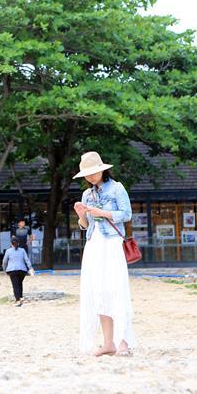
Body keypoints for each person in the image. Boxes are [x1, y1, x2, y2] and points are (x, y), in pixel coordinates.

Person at [73, 151, 135, 357]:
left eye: (93, 172)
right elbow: (85, 226)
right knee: (98, 291)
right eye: (87, 174)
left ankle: (123, 342)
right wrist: (82, 215)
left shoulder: (117, 188)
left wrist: (104, 213)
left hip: (112, 243)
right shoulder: (87, 195)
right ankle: (108, 342)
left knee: (116, 289)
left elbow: (127, 214)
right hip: (94, 244)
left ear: (102, 170)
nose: (90, 177)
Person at [2, 238, 34, 306]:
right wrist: (30, 268)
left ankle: (18, 299)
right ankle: (21, 297)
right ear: (18, 243)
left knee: (15, 285)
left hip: (12, 270)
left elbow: (4, 262)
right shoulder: (22, 250)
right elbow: (27, 260)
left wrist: (5, 270)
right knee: (19, 283)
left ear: (11, 244)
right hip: (22, 270)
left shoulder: (8, 251)